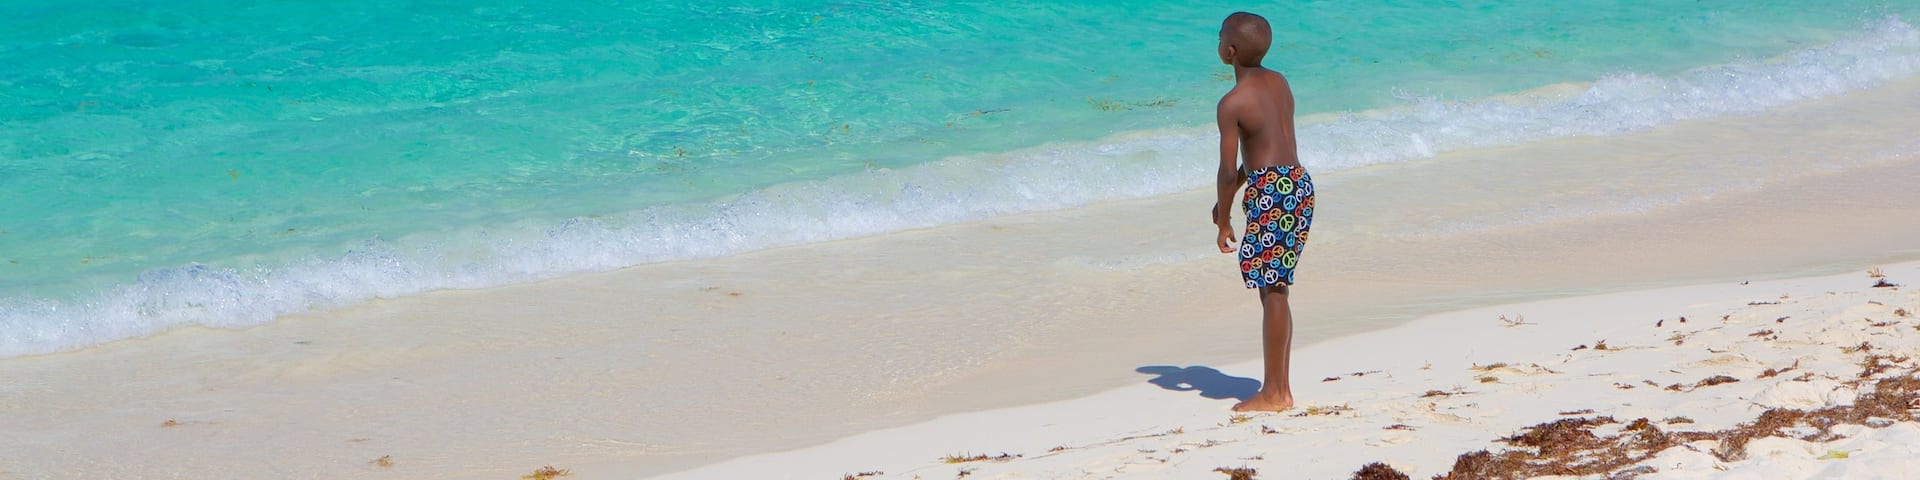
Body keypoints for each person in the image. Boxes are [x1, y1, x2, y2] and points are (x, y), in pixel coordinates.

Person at [1210, 11, 1314, 412]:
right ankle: (1279, 388)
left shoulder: (1231, 102)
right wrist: (1233, 192)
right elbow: (1264, 151)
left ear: (1230, 51)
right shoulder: (1279, 83)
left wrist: (1224, 219)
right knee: (1277, 287)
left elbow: (1226, 167)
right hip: (1298, 183)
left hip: (1271, 191)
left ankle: (1275, 393)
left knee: (1272, 290)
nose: (1217, 41)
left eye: (1219, 37)